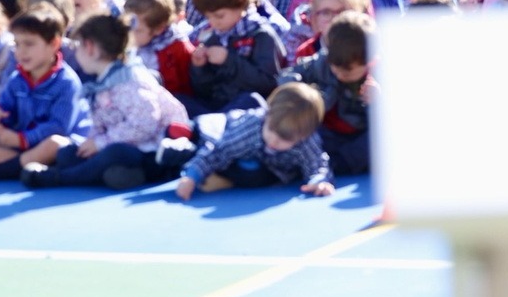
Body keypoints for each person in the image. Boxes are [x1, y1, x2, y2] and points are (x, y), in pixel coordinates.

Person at [22, 13, 189, 190]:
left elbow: (144, 124)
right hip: (125, 143)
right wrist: (91, 142)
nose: (75, 53)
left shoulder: (129, 80)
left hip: (153, 148)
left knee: (115, 153)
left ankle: (60, 178)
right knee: (67, 154)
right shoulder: (103, 81)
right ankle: (118, 174)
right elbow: (101, 122)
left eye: (77, 47)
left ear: (90, 48)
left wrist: (101, 143)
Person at [0, 5, 87, 182]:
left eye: (29, 44)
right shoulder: (17, 78)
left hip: (55, 146)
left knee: (55, 144)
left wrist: (22, 139)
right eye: (17, 44)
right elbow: (6, 108)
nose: (21, 51)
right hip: (20, 145)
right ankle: (24, 167)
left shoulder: (67, 83)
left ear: (54, 44)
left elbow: (59, 127)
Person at [176, 82, 333, 199]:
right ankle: (182, 142)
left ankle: (219, 175)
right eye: (271, 130)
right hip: (221, 129)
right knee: (199, 139)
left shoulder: (306, 141)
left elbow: (317, 164)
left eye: (285, 138)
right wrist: (191, 177)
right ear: (267, 114)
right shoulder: (251, 127)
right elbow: (218, 150)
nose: (274, 140)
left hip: (258, 161)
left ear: (303, 136)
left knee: (254, 173)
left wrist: (319, 180)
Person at [287, 10, 374, 177]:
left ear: (369, 61)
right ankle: (312, 162)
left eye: (348, 71)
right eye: (335, 67)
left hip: (359, 139)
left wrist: (379, 102)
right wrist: (300, 90)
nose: (340, 74)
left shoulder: (381, 74)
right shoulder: (322, 61)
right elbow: (289, 75)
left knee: (378, 141)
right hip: (329, 134)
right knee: (305, 132)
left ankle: (337, 164)